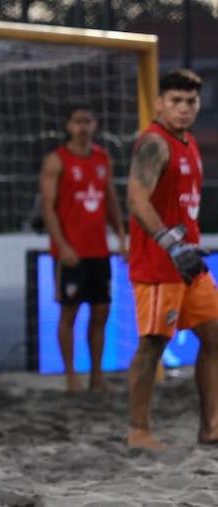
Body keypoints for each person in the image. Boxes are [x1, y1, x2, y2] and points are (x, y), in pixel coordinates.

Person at [125, 69, 216, 450]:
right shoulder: (154, 143)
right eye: (175, 100)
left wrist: (188, 246)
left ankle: (211, 426)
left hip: (189, 264)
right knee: (152, 345)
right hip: (160, 266)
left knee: (215, 338)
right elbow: (135, 198)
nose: (183, 108)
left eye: (190, 101)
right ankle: (139, 430)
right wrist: (170, 243)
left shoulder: (188, 142)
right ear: (160, 102)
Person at [38, 105, 127, 392]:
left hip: (98, 250)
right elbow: (48, 209)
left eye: (88, 121)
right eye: (78, 122)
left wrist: (122, 237)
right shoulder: (57, 160)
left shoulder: (103, 158)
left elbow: (111, 200)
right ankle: (70, 376)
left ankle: (97, 375)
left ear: (95, 124)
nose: (83, 127)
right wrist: (61, 246)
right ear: (68, 126)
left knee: (101, 311)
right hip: (71, 253)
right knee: (70, 313)